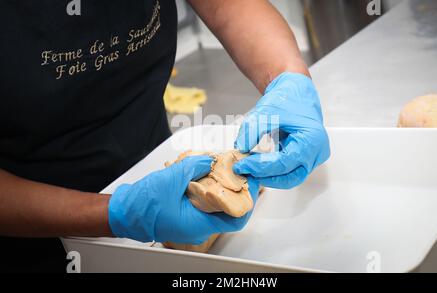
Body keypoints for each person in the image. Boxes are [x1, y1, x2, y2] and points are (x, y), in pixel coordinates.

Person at [0, 0, 330, 272]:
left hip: (158, 172)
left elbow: (228, 6)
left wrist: (288, 77)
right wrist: (118, 213)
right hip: (30, 232)